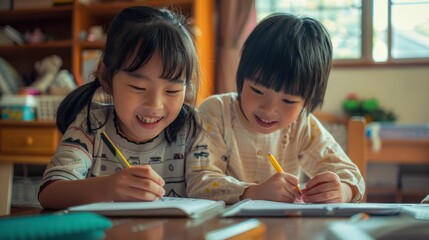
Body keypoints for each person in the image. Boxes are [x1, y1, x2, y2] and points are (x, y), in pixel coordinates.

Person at [186, 12, 365, 204]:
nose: (269, 109)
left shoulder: (301, 125)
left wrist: (343, 191)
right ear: (241, 77)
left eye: (288, 101)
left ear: (307, 102)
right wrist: (253, 192)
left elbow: (354, 177)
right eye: (257, 90)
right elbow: (198, 182)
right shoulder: (216, 112)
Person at [39, 6, 206, 209]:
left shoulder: (191, 127)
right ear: (106, 78)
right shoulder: (90, 125)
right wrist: (108, 188)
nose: (155, 105)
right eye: (138, 87)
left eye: (172, 91)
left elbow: (207, 186)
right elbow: (50, 193)